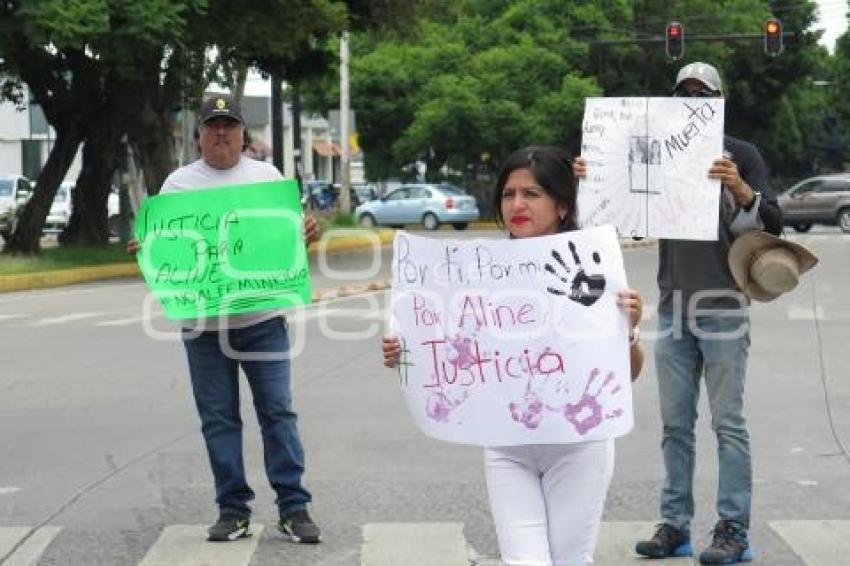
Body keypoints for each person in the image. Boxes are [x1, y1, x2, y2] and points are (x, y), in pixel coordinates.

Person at [383, 145, 645, 565]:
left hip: (578, 442)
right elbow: (448, 349)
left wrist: (628, 329)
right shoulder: (475, 270)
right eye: (509, 194)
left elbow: (627, 374)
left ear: (561, 205)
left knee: (570, 559)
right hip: (506, 443)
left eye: (532, 194)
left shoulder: (592, 268)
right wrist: (407, 353)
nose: (518, 204)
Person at [574, 62, 782, 564]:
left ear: (719, 100)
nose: (694, 101)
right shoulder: (657, 151)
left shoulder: (742, 154)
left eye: (703, 94)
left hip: (725, 304)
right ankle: (675, 525)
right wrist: (591, 175)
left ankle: (733, 530)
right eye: (684, 94)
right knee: (674, 425)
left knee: (728, 423)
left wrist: (737, 186)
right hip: (674, 305)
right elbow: (614, 209)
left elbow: (773, 221)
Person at [128, 94, 322, 544]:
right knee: (219, 419)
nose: (221, 133)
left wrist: (307, 235)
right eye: (213, 125)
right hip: (203, 326)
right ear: (199, 135)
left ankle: (294, 507)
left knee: (278, 413)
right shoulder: (177, 187)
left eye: (229, 125)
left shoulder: (267, 178)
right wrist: (148, 250)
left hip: (262, 320)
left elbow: (286, 242)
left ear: (241, 134)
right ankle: (232, 509)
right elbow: (166, 250)